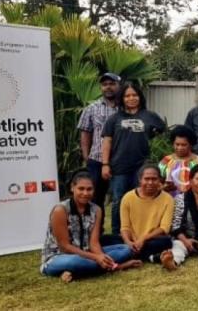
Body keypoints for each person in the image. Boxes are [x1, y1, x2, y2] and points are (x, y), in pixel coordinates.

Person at [41, 170, 140, 282]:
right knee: (75, 262)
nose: (85, 193)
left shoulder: (96, 210)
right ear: (72, 188)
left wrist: (102, 257)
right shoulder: (60, 210)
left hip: (87, 253)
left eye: (89, 189)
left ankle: (76, 272)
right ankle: (117, 267)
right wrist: (96, 258)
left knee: (126, 249)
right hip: (59, 257)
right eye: (81, 189)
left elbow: (94, 243)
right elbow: (65, 247)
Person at [102, 82, 166, 235]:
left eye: (134, 95)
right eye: (127, 96)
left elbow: (162, 135)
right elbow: (107, 141)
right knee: (119, 201)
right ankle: (118, 234)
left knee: (141, 200)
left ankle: (138, 232)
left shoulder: (149, 116)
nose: (131, 98)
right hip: (119, 167)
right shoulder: (114, 119)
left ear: (140, 97)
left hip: (142, 167)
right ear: (122, 98)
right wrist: (105, 164)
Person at [78, 72, 120, 230]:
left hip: (120, 160)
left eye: (112, 83)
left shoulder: (125, 108)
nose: (108, 87)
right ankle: (96, 232)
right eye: (105, 84)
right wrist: (86, 157)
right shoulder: (91, 108)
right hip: (96, 160)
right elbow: (85, 133)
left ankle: (119, 232)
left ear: (118, 86)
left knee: (120, 198)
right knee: (95, 198)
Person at [118, 164, 176, 270]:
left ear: (160, 180)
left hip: (151, 240)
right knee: (105, 240)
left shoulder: (168, 199)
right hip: (132, 240)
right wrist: (128, 242)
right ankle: (151, 257)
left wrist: (143, 239)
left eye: (154, 179)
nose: (150, 182)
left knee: (166, 241)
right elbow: (124, 227)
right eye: (147, 179)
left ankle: (128, 255)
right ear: (140, 180)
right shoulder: (128, 197)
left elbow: (164, 228)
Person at [158, 125, 198, 198]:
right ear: (173, 144)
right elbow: (158, 181)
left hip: (193, 202)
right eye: (177, 144)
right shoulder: (166, 161)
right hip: (170, 201)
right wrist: (164, 187)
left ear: (191, 144)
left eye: (184, 145)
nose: (180, 148)